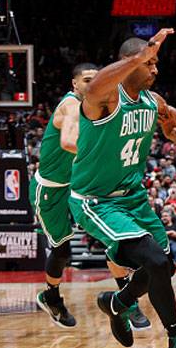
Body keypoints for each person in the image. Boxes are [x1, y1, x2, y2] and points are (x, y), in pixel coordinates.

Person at [68, 31, 176, 348]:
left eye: (156, 63)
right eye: (150, 63)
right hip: (96, 201)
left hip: (133, 199)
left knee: (164, 267)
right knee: (157, 263)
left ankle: (118, 303)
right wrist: (138, 56)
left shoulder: (153, 103)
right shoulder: (103, 99)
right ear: (130, 64)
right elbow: (96, 84)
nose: (155, 69)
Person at [30, 63, 151, 331]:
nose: (92, 85)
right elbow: (69, 142)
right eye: (86, 80)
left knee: (113, 239)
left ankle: (126, 300)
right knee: (62, 250)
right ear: (74, 84)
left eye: (97, 80)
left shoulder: (102, 109)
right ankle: (51, 296)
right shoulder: (72, 105)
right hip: (51, 187)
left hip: (80, 187)